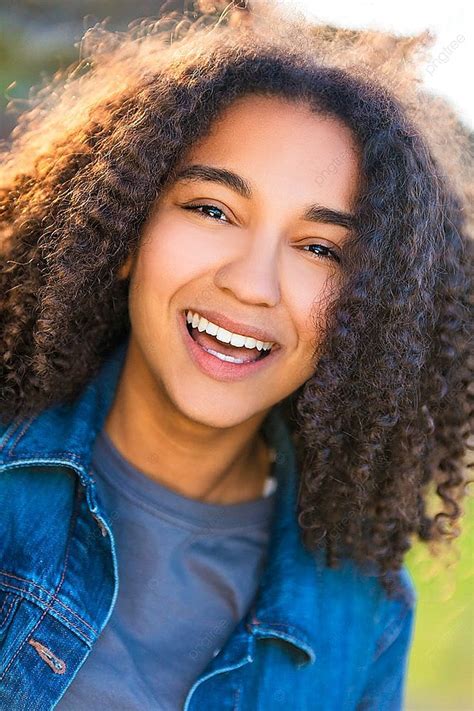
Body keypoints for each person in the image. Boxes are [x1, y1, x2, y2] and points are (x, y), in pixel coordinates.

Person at [0, 2, 471, 709]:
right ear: (125, 228)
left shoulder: (362, 616)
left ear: (366, 313)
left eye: (319, 249)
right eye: (213, 209)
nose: (251, 284)